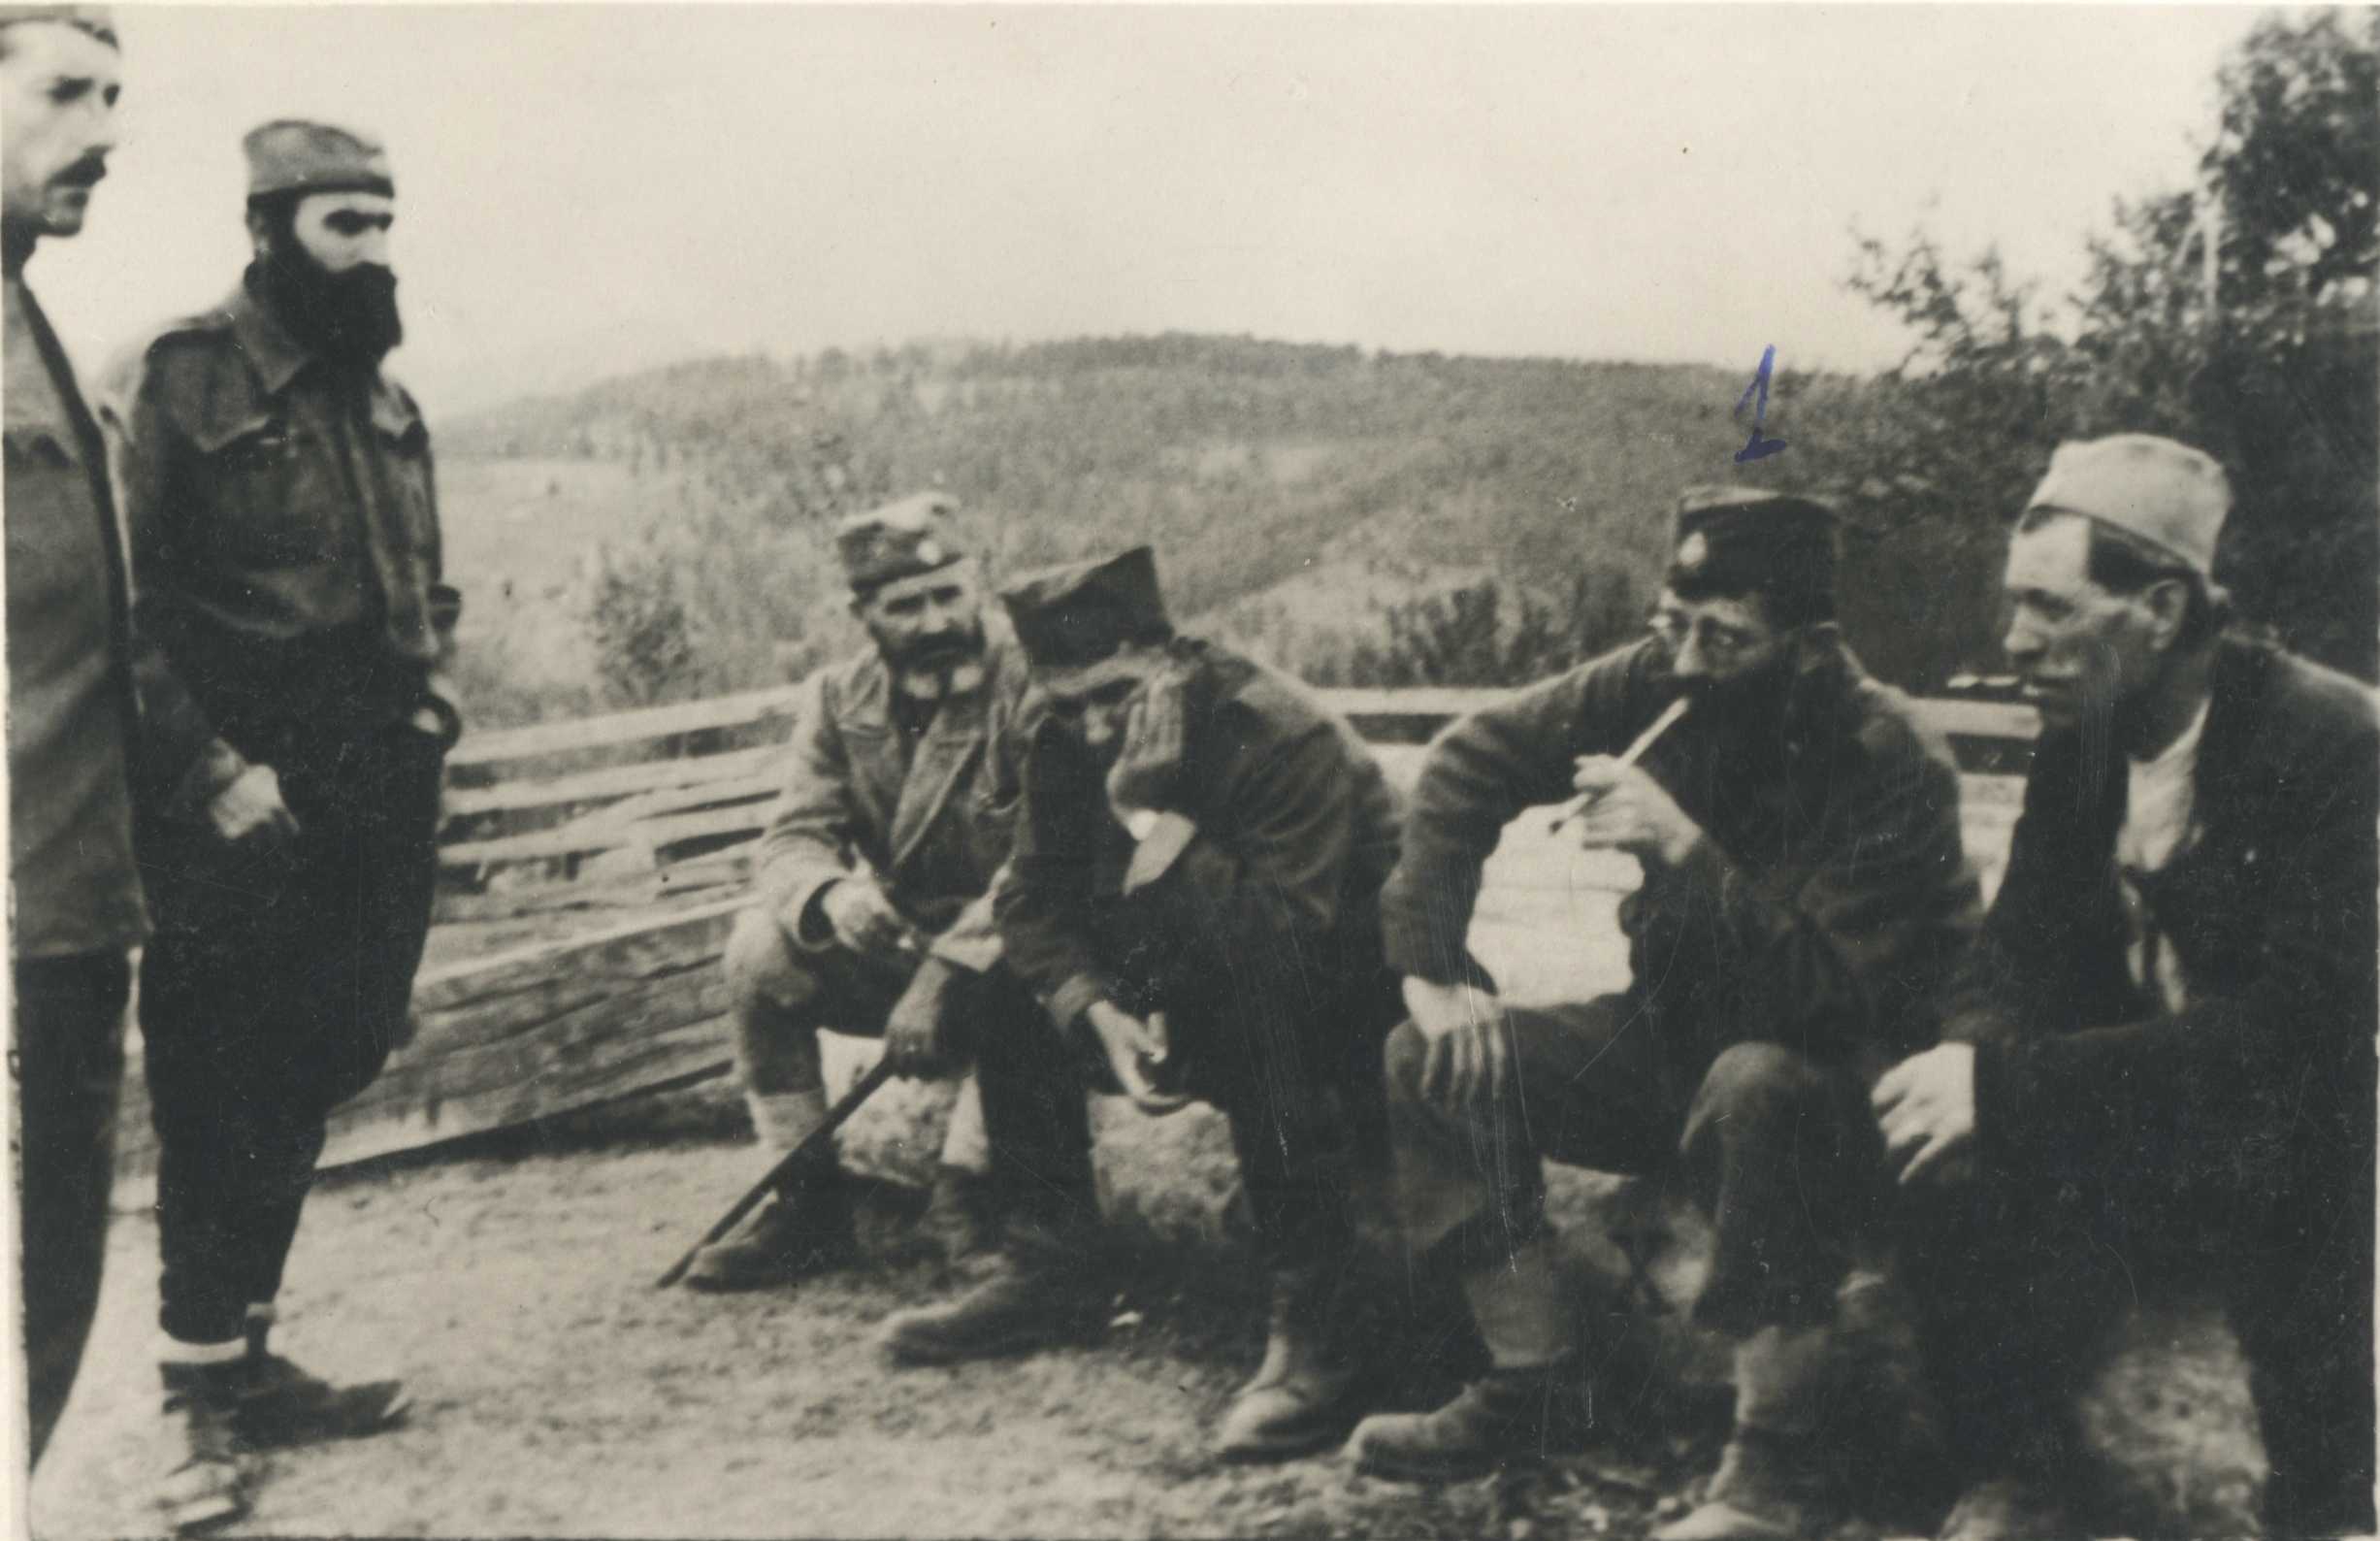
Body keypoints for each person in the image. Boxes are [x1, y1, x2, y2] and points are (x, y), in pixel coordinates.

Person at [1345, 488, 1980, 1541]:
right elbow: (1467, 759)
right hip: (1676, 1049)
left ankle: (1775, 1467)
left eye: (1721, 638)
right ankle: (1535, 1385)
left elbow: (1828, 998)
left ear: (1806, 643)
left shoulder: (1886, 756)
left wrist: (1682, 849)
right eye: (1669, 623)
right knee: (1432, 1057)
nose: (1682, 662)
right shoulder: (1663, 675)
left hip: (1848, 1079)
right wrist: (1435, 968)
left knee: (1754, 1082)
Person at [1873, 436, 2377, 1541]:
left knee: (2318, 1152)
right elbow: (2012, 945)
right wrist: (1969, 1052)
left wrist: (2006, 1089)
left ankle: (2326, 1504)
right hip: (2141, 1113)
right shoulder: (2085, 737)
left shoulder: (2332, 741)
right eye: (2015, 604)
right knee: (1939, 1142)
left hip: (2283, 1127)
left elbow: (2302, 1029)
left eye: (2049, 607)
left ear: (2159, 608)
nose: (2015, 639)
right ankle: (2019, 1474)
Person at [103, 118, 453, 1527]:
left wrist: (436, 700)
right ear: (267, 230)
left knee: (328, 1054)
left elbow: (426, 581)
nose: (372, 249)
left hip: (378, 786)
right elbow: (115, 604)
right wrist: (208, 770)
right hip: (237, 789)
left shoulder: (386, 397)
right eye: (341, 224)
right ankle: (195, 1391)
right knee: (218, 1075)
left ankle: (247, 1352)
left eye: (383, 221)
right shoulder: (179, 378)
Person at [878, 545, 1406, 1462]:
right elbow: (1028, 900)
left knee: (1266, 1020)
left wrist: (1141, 814)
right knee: (1011, 989)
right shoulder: (1061, 731)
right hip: (1190, 961)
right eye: (1067, 703)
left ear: (1169, 659)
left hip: (1346, 993)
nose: (1091, 730)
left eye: (1115, 696)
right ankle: (1050, 1269)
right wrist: (1094, 1009)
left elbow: (1279, 945)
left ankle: (1318, 1334)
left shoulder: (1277, 732)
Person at [689, 492, 1056, 1288]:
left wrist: (942, 973)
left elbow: (1048, 858)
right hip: (903, 948)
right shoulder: (837, 698)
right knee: (758, 952)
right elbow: (790, 838)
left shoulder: (1032, 681)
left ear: (978, 586)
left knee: (1029, 966)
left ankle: (969, 1197)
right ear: (863, 616)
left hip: (1018, 941)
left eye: (947, 594)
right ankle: (807, 1203)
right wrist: (830, 897)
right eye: (905, 606)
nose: (934, 622)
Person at [1, 0, 141, 1473]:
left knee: (42, 1326)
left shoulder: (32, 325)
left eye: (113, 99)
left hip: (67, 919)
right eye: (63, 93)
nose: (105, 134)